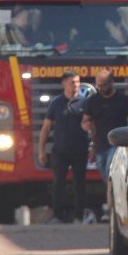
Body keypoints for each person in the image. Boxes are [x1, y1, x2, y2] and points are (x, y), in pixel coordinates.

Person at [38, 71, 91, 224]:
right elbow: (46, 128)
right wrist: (42, 150)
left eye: (77, 82)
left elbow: (92, 127)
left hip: (80, 150)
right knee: (58, 183)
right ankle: (57, 216)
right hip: (60, 151)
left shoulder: (85, 103)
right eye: (72, 82)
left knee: (79, 184)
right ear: (64, 84)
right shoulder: (56, 103)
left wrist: (93, 147)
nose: (76, 85)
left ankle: (78, 217)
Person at [81, 70, 128, 221]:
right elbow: (85, 121)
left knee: (109, 171)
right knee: (106, 174)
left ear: (112, 83)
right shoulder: (93, 101)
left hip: (117, 145)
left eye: (103, 85)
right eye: (98, 85)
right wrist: (87, 125)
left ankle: (110, 206)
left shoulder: (123, 100)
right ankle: (114, 202)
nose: (100, 88)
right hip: (100, 145)